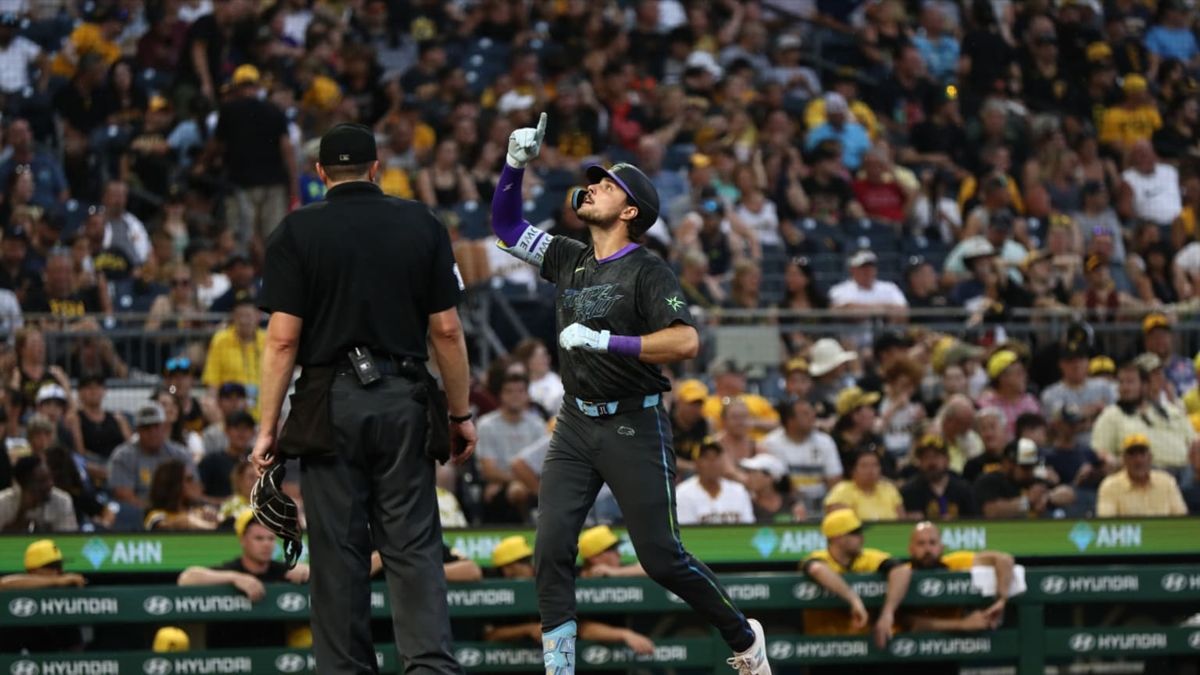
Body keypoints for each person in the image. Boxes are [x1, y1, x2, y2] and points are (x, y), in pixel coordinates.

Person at [489, 113, 771, 674]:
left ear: (630, 210)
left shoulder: (648, 270)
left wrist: (607, 340)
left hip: (632, 423)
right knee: (549, 550)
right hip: (575, 421)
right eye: (593, 180)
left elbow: (686, 339)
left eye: (606, 184)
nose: (591, 186)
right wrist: (513, 165)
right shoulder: (570, 256)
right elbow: (506, 226)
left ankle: (744, 638)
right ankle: (560, 668)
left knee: (662, 558)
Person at [252, 123, 474, 675]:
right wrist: (460, 413)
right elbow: (446, 330)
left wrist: (266, 427)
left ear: (321, 172)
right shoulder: (421, 222)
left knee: (338, 556)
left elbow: (282, 340)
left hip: (329, 404)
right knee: (414, 550)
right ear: (377, 169)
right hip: (404, 399)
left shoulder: (295, 230)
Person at [484, 536, 656, 655]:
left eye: (529, 559)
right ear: (507, 568)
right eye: (523, 561)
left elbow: (657, 567)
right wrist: (528, 629)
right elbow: (490, 634)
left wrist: (616, 573)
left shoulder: (564, 578)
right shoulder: (494, 588)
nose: (531, 566)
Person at [178, 510, 310, 647]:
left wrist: (307, 571)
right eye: (258, 538)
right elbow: (186, 578)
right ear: (243, 540)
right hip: (230, 653)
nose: (266, 544)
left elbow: (319, 576)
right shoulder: (231, 569)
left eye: (270, 538)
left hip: (273, 653)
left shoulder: (283, 570)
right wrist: (235, 578)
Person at [801, 509, 912, 648]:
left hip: (865, 642)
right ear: (837, 537)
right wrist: (854, 600)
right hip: (824, 646)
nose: (862, 537)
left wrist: (887, 614)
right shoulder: (819, 558)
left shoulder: (867, 557)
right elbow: (817, 569)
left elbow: (902, 570)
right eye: (855, 533)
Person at [474, 371, 546, 523]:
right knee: (516, 490)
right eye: (509, 391)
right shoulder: (486, 425)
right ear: (500, 395)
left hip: (533, 483)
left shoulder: (538, 425)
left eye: (520, 391)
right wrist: (521, 480)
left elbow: (545, 466)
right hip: (502, 484)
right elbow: (489, 470)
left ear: (528, 395)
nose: (515, 396)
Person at [760, 397, 842, 516]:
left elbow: (834, 480)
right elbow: (781, 483)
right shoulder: (771, 443)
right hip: (787, 506)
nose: (813, 416)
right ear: (790, 420)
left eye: (812, 412)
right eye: (805, 414)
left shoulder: (825, 441)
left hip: (821, 504)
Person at [0, 540, 85, 652]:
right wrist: (56, 581)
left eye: (59, 566)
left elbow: (75, 652)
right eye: (52, 567)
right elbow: (3, 584)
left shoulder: (62, 598)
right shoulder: (19, 593)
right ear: (32, 571)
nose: (58, 572)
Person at [107, 403, 194, 512]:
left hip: (179, 511)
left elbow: (194, 490)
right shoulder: (123, 456)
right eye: (146, 427)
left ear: (164, 427)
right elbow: (125, 496)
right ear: (137, 429)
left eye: (156, 426)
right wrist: (158, 514)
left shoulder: (180, 454)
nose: (152, 432)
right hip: (139, 516)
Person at [1096, 433, 1188, 516]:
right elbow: (1107, 525)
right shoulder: (1110, 486)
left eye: (1142, 454)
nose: (1138, 460)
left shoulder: (1167, 482)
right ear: (1124, 460)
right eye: (1132, 454)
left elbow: (1181, 518)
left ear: (1150, 458)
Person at [201, 299, 265, 416]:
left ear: (258, 316)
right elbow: (212, 384)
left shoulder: (267, 340)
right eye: (240, 316)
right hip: (230, 414)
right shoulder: (220, 340)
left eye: (248, 316)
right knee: (207, 403)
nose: (244, 321)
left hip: (263, 410)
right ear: (233, 318)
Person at [675, 438, 756, 525]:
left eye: (716, 457)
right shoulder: (682, 493)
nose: (712, 463)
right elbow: (686, 533)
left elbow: (748, 528)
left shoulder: (739, 491)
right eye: (706, 457)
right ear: (696, 462)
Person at [901, 434, 976, 520]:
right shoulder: (909, 491)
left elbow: (976, 521)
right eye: (926, 457)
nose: (931, 462)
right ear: (920, 462)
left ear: (947, 460)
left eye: (936, 456)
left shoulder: (963, 489)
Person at [0, 455, 77, 532]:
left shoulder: (62, 500)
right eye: (42, 481)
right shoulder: (3, 502)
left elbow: (67, 539)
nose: (50, 484)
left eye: (50, 478)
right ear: (24, 485)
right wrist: (21, 514)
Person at [825, 449, 904, 521]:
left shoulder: (889, 489)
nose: (871, 470)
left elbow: (902, 523)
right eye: (864, 466)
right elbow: (840, 527)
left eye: (875, 465)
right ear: (852, 470)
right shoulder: (841, 491)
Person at [198, 411, 255, 498]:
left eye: (246, 428)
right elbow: (198, 494)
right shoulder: (211, 461)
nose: (241, 432)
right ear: (226, 430)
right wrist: (227, 504)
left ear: (253, 432)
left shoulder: (259, 460)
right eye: (236, 427)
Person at [578, 525, 646, 578]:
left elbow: (649, 569)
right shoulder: (575, 579)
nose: (619, 554)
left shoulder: (619, 570)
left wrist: (615, 572)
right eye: (612, 549)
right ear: (595, 557)